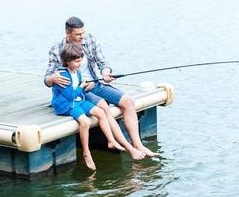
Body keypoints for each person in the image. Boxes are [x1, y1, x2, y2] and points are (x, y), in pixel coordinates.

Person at [45, 16, 159, 158]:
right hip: (81, 91)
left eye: (83, 33)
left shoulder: (90, 40)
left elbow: (102, 62)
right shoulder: (56, 50)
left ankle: (139, 145)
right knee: (104, 106)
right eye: (78, 34)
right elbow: (47, 79)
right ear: (68, 33)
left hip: (97, 83)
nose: (82, 37)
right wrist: (52, 78)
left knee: (128, 101)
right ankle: (129, 148)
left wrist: (106, 72)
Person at [52, 42, 125, 170]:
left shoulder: (77, 72)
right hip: (66, 104)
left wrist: (86, 86)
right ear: (67, 61)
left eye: (80, 61)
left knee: (101, 112)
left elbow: (79, 91)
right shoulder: (63, 75)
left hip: (78, 100)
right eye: (76, 61)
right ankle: (86, 152)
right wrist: (81, 87)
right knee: (85, 122)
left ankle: (111, 141)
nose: (79, 64)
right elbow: (70, 95)